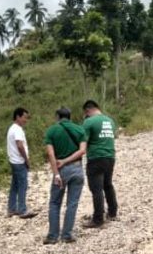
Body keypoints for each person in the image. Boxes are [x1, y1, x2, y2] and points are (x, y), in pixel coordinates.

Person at [43, 107, 87, 244]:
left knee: (55, 203)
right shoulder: (80, 130)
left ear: (57, 117)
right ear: (70, 116)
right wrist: (68, 160)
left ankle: (52, 236)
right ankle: (67, 234)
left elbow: (50, 154)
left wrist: (56, 173)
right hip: (77, 169)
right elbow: (82, 151)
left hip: (60, 171)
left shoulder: (51, 131)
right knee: (72, 203)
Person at [81, 100, 119, 228]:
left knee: (96, 189)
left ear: (87, 111)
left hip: (96, 158)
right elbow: (113, 136)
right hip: (110, 156)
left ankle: (98, 219)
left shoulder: (88, 121)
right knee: (107, 185)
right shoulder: (110, 121)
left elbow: (83, 142)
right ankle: (113, 212)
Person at [6, 107, 37, 219]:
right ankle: (22, 210)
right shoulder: (17, 129)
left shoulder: (11, 128)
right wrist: (26, 160)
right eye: (24, 117)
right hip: (19, 161)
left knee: (14, 185)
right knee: (23, 186)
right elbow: (20, 145)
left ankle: (11, 209)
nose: (26, 120)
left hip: (13, 161)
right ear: (18, 116)